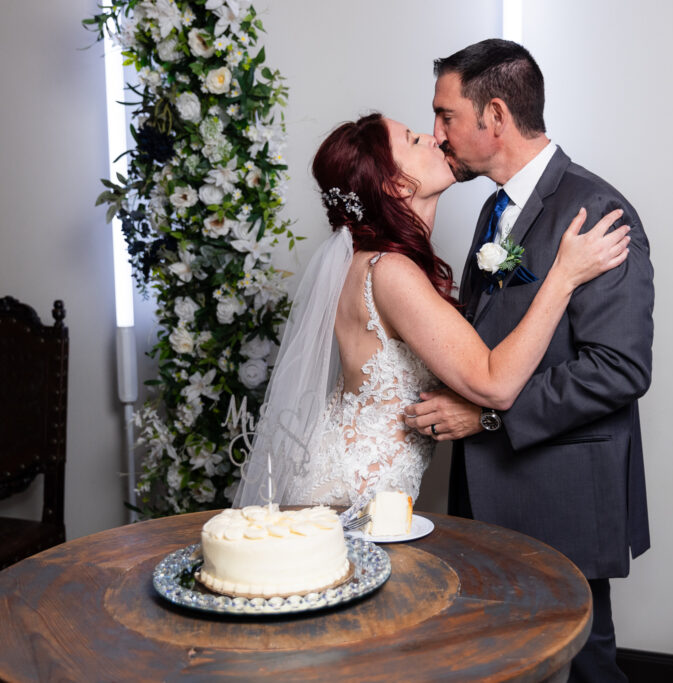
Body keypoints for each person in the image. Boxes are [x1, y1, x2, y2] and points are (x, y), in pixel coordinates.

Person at [233, 112, 630, 525]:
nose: (430, 136)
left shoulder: (364, 264)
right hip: (356, 501)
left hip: (345, 487)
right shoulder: (390, 273)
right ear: (396, 183)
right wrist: (563, 276)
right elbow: (495, 384)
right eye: (411, 139)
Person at [404, 39, 654, 682]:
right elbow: (488, 339)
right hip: (489, 489)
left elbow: (619, 368)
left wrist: (486, 419)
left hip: (560, 491)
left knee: (585, 663)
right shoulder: (495, 206)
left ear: (493, 115)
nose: (437, 134)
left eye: (446, 115)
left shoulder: (596, 210)